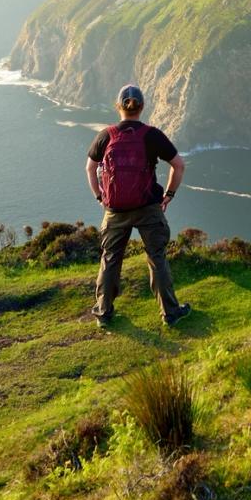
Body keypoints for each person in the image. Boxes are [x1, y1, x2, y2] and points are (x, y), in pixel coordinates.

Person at [86, 84, 190, 329]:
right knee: (157, 258)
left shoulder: (106, 135)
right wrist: (169, 195)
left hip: (115, 211)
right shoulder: (151, 134)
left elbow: (90, 168)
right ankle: (170, 313)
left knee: (110, 259)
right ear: (142, 107)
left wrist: (100, 197)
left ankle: (103, 312)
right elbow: (179, 165)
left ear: (118, 106)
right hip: (148, 207)